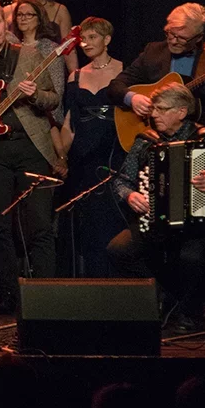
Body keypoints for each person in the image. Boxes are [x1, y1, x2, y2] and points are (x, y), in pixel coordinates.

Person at [109, 83, 205, 332]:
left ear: (182, 111)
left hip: (199, 226)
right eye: (154, 109)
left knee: (190, 256)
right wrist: (129, 196)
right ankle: (161, 296)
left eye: (161, 109)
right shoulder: (146, 141)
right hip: (155, 222)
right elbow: (121, 180)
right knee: (118, 250)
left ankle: (187, 310)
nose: (154, 114)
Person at [0, 1, 61, 314]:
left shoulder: (29, 54)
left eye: (0, 22)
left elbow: (52, 99)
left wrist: (34, 94)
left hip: (31, 146)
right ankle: (8, 295)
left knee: (40, 224)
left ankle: (45, 298)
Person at [57, 17, 126, 278]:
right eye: (83, 38)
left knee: (110, 218)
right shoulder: (76, 75)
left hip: (113, 151)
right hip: (82, 157)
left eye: (93, 37)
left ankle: (114, 283)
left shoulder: (124, 72)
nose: (86, 43)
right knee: (84, 222)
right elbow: (69, 123)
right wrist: (61, 156)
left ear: (107, 40)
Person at [108, 2, 205, 129]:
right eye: (170, 34)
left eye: (182, 38)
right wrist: (133, 99)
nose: (173, 41)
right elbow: (115, 86)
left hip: (197, 135)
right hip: (151, 134)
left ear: (198, 37)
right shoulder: (153, 51)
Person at [9, 0, 68, 126]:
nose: (23, 18)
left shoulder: (51, 49)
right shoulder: (12, 47)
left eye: (29, 15)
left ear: (39, 19)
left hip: (44, 115)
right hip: (17, 116)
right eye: (20, 14)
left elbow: (57, 89)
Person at [7, 0, 75, 69]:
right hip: (17, 70)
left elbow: (69, 48)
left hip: (51, 69)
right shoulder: (8, 11)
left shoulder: (60, 10)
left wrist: (74, 78)